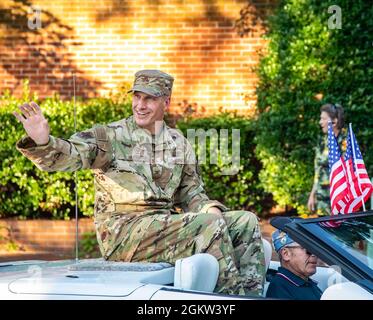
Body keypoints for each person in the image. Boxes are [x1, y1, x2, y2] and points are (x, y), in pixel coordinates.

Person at [13, 69, 265, 296]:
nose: (140, 105)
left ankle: (251, 296)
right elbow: (69, 156)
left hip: (165, 226)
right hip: (123, 233)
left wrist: (209, 208)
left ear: (166, 102)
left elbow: (191, 194)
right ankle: (230, 301)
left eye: (149, 99)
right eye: (136, 97)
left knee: (245, 221)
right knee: (208, 226)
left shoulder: (178, 142)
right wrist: (43, 141)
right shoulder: (108, 136)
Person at [307, 103, 347, 216]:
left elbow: (348, 169)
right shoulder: (322, 141)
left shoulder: (345, 140)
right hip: (322, 199)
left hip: (340, 198)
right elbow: (318, 170)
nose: (320, 122)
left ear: (334, 121)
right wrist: (312, 194)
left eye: (323, 119)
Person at [266, 229, 322, 300]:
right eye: (308, 249)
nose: (314, 255)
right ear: (286, 254)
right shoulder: (280, 288)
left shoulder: (306, 283)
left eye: (315, 249)